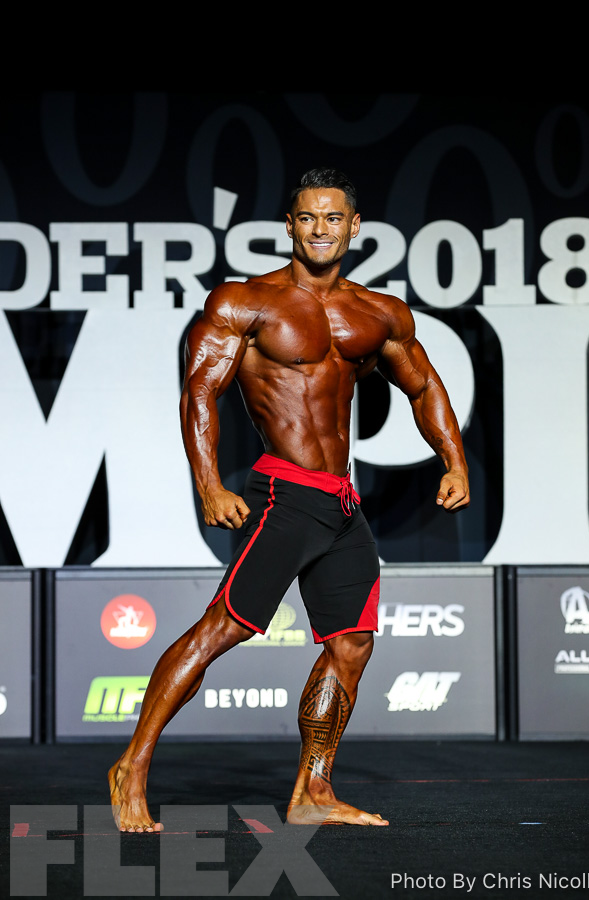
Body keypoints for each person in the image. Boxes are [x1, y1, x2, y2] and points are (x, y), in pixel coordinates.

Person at [109, 167, 470, 832]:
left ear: (354, 227)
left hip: (341, 503)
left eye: (332, 218)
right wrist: (209, 485)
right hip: (284, 492)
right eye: (307, 218)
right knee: (223, 629)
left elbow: (423, 387)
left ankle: (313, 791)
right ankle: (131, 767)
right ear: (290, 225)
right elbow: (199, 393)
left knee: (352, 644)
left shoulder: (379, 313)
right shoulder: (246, 302)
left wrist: (455, 460)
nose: (319, 229)